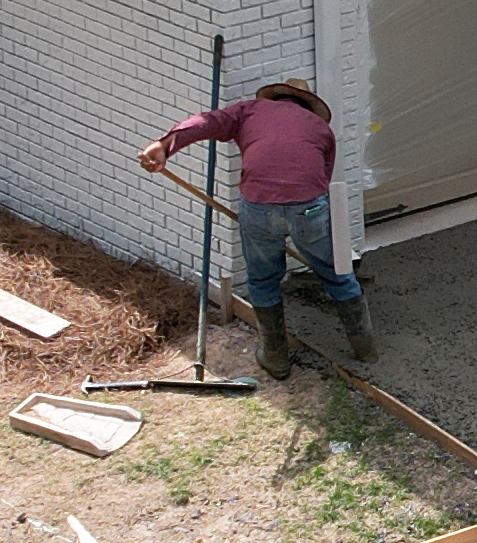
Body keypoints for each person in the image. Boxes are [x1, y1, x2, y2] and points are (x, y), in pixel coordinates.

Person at [149, 77, 369, 377]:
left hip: (260, 207)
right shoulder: (320, 128)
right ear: (307, 104)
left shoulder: (250, 111)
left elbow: (206, 123)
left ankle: (276, 358)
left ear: (276, 98)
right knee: (338, 272)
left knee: (264, 280)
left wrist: (165, 145)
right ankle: (365, 348)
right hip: (309, 207)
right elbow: (322, 180)